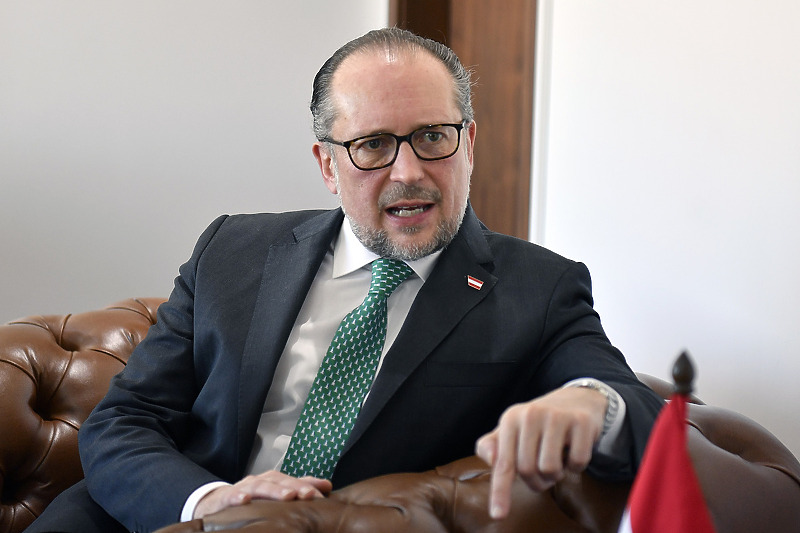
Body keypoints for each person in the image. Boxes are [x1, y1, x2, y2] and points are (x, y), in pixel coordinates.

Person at [25, 27, 663, 533]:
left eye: (433, 138)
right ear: (327, 165)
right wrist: (210, 501)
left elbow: (634, 413)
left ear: (469, 144)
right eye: (372, 146)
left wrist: (590, 402)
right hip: (156, 515)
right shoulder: (233, 249)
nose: (408, 171)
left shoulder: (539, 288)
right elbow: (125, 419)